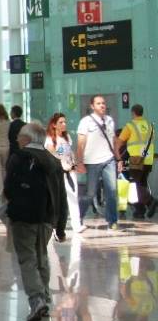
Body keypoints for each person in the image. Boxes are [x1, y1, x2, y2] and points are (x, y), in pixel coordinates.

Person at [4, 122, 68, 321]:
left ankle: (37, 300)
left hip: (24, 217)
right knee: (41, 256)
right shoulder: (52, 160)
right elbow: (61, 195)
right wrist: (61, 225)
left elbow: (9, 188)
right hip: (48, 217)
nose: (17, 139)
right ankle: (46, 298)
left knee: (27, 259)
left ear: (28, 139)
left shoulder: (18, 158)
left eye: (20, 136)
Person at [76, 95, 121, 231]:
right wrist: (79, 162)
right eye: (98, 103)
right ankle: (79, 216)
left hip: (108, 160)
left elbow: (113, 141)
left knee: (112, 191)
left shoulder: (110, 121)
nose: (102, 105)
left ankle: (112, 221)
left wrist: (118, 159)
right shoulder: (86, 122)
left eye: (103, 103)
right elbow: (81, 143)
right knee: (90, 193)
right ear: (92, 106)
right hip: (92, 162)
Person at [45, 113, 83, 234]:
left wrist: (75, 163)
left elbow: (70, 153)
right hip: (58, 172)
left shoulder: (67, 138)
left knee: (73, 195)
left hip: (70, 171)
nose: (64, 124)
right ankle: (54, 223)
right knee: (57, 198)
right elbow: (53, 154)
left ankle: (76, 224)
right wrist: (62, 164)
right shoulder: (50, 139)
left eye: (64, 122)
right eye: (61, 122)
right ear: (54, 125)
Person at [116, 104, 155, 219]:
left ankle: (152, 201)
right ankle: (141, 210)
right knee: (142, 183)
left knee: (136, 185)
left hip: (136, 160)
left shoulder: (130, 125)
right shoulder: (149, 125)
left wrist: (118, 154)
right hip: (147, 159)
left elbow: (120, 141)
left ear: (133, 113)